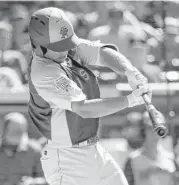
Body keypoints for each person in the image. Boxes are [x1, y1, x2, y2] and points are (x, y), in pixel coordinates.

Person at [27, 7, 151, 185]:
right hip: (68, 159)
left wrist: (130, 72)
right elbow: (84, 109)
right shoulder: (43, 72)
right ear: (38, 44)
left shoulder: (62, 49)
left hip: (93, 150)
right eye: (59, 47)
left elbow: (100, 52)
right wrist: (130, 100)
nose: (66, 50)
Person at [124, 111, 176, 185]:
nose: (154, 132)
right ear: (142, 130)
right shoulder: (132, 160)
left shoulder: (171, 158)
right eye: (150, 128)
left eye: (158, 128)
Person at [0, 112, 46, 185]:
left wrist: (32, 182)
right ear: (5, 130)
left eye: (19, 132)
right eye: (14, 132)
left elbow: (46, 179)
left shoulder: (34, 150)